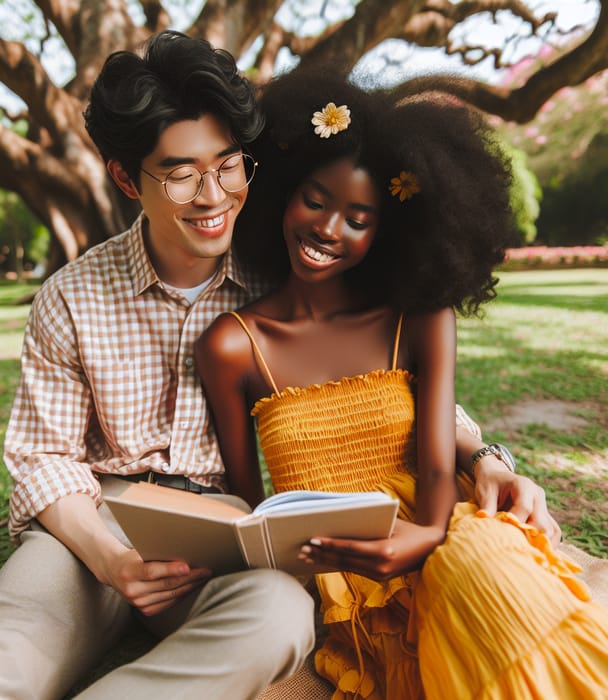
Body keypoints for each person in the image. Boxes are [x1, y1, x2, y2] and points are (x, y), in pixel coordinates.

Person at [0, 30, 555, 700]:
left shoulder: (289, 266)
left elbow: (386, 382)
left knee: (281, 617)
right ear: (125, 177)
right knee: (14, 641)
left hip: (232, 528)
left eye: (227, 164)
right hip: (98, 518)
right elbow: (42, 456)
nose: (212, 195)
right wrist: (114, 560)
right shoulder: (72, 296)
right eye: (180, 173)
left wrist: (483, 455)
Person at [195, 66, 608, 699]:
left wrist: (429, 535)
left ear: (388, 232)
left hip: (450, 521)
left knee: (471, 565)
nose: (328, 229)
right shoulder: (233, 344)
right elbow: (250, 510)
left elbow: (437, 468)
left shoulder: (418, 317)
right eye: (316, 200)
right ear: (282, 194)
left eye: (359, 218)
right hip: (347, 576)